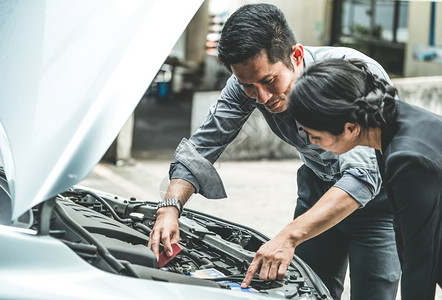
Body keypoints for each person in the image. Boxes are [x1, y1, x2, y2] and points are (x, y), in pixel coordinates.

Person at [148, 4, 401, 299]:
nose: (263, 97)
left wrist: (287, 236)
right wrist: (170, 207)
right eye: (249, 86)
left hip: (379, 205)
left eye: (269, 81)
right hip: (317, 187)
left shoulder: (354, 73)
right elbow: (201, 148)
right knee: (306, 290)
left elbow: (363, 175)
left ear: (295, 55)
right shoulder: (246, 85)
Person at [287, 58, 442, 300]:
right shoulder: (394, 122)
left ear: (350, 128)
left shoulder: (406, 158)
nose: (311, 142)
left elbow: (421, 257)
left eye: (315, 135)